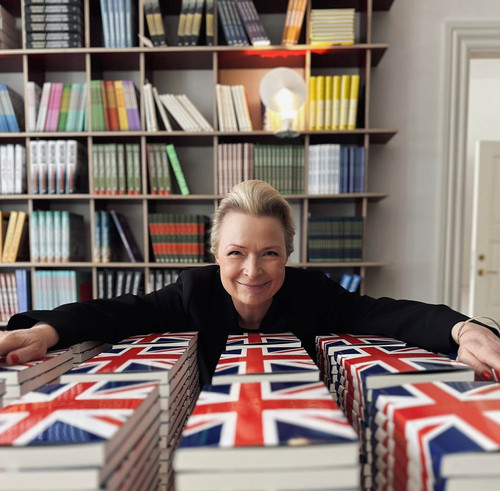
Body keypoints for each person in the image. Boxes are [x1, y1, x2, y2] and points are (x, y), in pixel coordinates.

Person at [1, 180, 499, 386]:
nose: (252, 271)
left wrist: (463, 328)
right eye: (236, 253)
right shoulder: (194, 292)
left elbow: (385, 313)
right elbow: (115, 312)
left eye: (270, 254)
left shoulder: (312, 293)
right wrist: (44, 332)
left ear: (288, 256)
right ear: (215, 254)